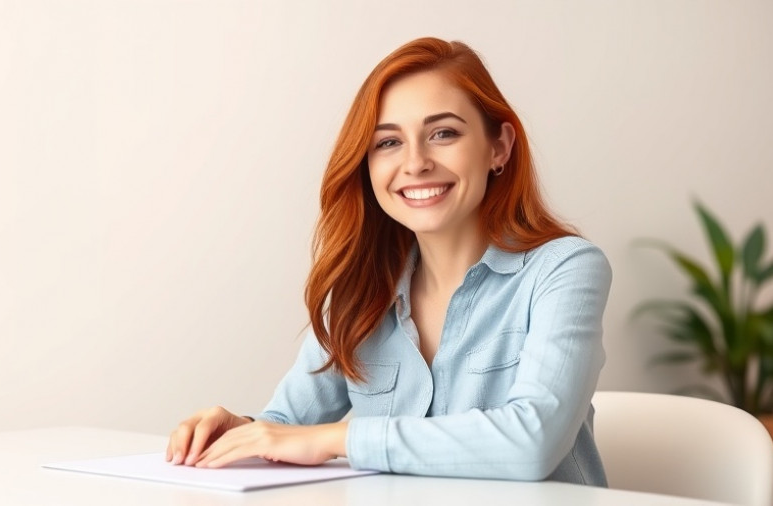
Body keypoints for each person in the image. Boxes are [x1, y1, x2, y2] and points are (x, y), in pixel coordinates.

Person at [165, 37, 612, 486]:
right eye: (388, 142)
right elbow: (288, 425)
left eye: (443, 133)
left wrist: (338, 438)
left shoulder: (565, 269)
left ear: (499, 147)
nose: (415, 163)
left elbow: (532, 444)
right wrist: (240, 432)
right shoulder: (361, 291)